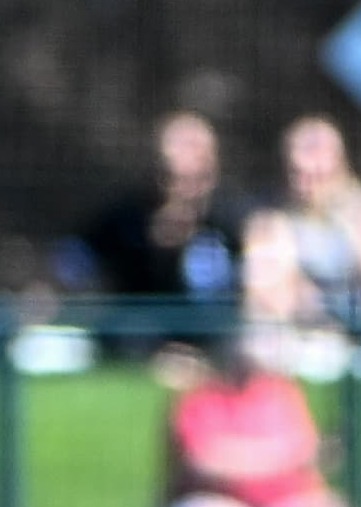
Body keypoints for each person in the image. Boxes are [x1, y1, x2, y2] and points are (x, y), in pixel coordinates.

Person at [152, 327, 353, 507]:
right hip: (219, 505)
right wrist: (281, 457)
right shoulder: (200, 396)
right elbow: (205, 461)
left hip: (281, 506)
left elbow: (308, 452)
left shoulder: (281, 393)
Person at [70, 109, 254, 354]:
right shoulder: (123, 219)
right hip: (137, 344)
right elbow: (71, 266)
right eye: (171, 176)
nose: (181, 187)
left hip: (215, 345)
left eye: (194, 175)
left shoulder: (231, 220)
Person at [246, 113, 361, 338]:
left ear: (341, 168)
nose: (308, 186)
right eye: (299, 174)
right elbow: (263, 307)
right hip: (301, 341)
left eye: (320, 175)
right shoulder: (268, 220)